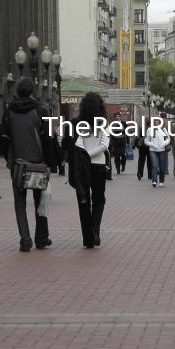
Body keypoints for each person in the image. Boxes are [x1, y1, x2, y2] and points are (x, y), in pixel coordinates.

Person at [0, 78, 59, 251]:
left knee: (20, 203)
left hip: (18, 164)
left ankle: (25, 240)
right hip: (38, 164)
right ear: (32, 91)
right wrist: (49, 164)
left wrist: (9, 156)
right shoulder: (41, 109)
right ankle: (41, 238)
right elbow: (48, 139)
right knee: (40, 201)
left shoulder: (10, 110)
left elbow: (1, 135)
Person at [71, 92, 109, 248]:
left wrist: (83, 155)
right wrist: (91, 154)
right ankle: (95, 230)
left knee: (83, 201)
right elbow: (105, 145)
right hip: (99, 166)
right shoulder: (103, 123)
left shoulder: (76, 123)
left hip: (81, 169)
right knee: (99, 199)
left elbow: (72, 145)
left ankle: (87, 238)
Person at [145, 118, 171, 187]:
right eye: (155, 122)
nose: (156, 124)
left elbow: (168, 138)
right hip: (152, 150)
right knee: (154, 165)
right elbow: (146, 140)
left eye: (158, 122)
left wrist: (164, 144)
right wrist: (152, 144)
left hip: (161, 150)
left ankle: (161, 180)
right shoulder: (149, 130)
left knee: (161, 165)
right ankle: (154, 181)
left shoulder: (163, 129)